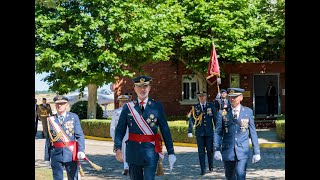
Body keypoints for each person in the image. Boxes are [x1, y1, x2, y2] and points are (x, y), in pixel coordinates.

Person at [114, 75, 177, 180]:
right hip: (133, 152)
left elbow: (165, 130)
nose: (142, 89)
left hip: (151, 151)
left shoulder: (157, 106)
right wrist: (117, 148)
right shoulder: (128, 107)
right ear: (134, 88)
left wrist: (171, 152)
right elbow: (120, 130)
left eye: (145, 86)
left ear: (149, 88)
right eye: (139, 86)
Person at [214, 88, 261, 180]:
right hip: (228, 151)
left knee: (240, 174)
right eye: (230, 97)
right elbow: (218, 132)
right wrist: (216, 149)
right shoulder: (222, 113)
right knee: (230, 176)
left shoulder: (248, 112)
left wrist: (257, 151)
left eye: (235, 97)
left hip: (242, 151)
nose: (232, 99)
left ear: (241, 98)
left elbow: (252, 132)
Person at [44, 95, 86, 180]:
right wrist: (47, 157)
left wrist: (81, 150)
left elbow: (80, 135)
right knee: (57, 178)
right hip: (55, 154)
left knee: (73, 178)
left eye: (62, 103)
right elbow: (48, 140)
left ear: (66, 105)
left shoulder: (73, 117)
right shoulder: (51, 119)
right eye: (57, 104)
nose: (59, 105)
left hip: (71, 153)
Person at [187, 91, 216, 175]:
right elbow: (191, 120)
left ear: (206, 96)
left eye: (203, 96)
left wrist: (218, 131)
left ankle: (211, 166)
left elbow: (215, 119)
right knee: (201, 152)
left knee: (210, 150)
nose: (202, 98)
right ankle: (203, 169)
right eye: (200, 96)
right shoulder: (195, 107)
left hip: (209, 133)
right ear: (198, 97)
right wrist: (190, 131)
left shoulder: (210, 106)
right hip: (199, 133)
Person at [110, 94, 130, 175]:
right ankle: (127, 167)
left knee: (125, 151)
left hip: (125, 135)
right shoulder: (117, 112)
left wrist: (113, 137)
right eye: (123, 101)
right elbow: (113, 126)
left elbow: (113, 126)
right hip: (126, 135)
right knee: (126, 151)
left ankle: (126, 167)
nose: (123, 103)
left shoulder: (117, 112)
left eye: (124, 101)